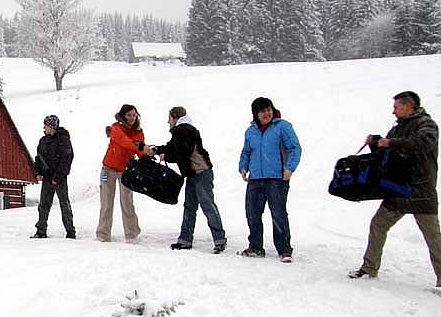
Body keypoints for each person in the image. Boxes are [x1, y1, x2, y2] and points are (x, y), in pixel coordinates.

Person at [349, 91, 441, 299]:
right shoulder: (398, 127)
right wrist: (375, 143)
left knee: (433, 236)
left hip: (421, 191)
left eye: (396, 107)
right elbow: (386, 155)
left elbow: (422, 144)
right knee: (378, 225)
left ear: (408, 106)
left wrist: (391, 143)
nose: (393, 110)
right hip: (397, 190)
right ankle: (369, 268)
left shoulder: (427, 125)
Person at [153, 106, 226, 253]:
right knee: (190, 206)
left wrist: (165, 156)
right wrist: (157, 150)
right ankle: (185, 239)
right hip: (194, 173)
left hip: (201, 172)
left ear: (175, 117)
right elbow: (173, 147)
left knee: (207, 205)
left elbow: (182, 152)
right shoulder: (182, 130)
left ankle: (219, 239)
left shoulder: (184, 130)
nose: (168, 122)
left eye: (169, 118)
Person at [238, 97, 301, 262]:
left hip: (277, 178)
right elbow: (246, 152)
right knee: (252, 213)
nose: (266, 113)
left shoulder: (282, 127)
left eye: (268, 109)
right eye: (262, 111)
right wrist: (243, 166)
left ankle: (284, 250)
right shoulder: (250, 131)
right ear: (256, 114)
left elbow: (294, 148)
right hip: (256, 178)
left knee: (278, 213)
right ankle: (256, 247)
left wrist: (289, 168)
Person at [96, 104, 147, 242]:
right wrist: (140, 146)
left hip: (126, 170)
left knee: (127, 202)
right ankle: (103, 234)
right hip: (108, 169)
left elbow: (139, 150)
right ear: (123, 115)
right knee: (106, 203)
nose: (132, 117)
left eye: (134, 115)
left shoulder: (138, 132)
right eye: (129, 115)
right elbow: (125, 141)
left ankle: (132, 233)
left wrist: (147, 155)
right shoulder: (116, 128)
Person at [31, 114, 75, 239]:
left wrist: (58, 177)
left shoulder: (63, 140)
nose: (44, 128)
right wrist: (38, 172)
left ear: (51, 126)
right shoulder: (43, 141)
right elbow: (38, 158)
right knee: (43, 205)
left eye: (46, 125)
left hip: (59, 179)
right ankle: (41, 231)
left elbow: (67, 160)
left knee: (64, 204)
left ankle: (70, 231)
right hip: (46, 178)